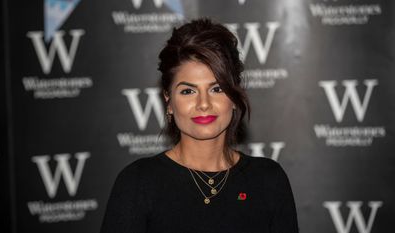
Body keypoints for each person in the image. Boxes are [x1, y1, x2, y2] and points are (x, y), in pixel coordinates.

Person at [100, 18, 299, 233]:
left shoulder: (269, 180)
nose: (203, 104)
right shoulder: (138, 184)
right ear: (168, 100)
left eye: (217, 89)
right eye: (188, 91)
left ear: (233, 97)